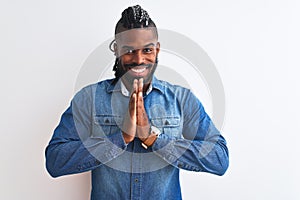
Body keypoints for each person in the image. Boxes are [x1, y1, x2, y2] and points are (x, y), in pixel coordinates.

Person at [45, 5, 229, 200]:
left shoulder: (182, 99)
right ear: (116, 50)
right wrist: (121, 138)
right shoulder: (88, 99)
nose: (139, 59)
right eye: (129, 50)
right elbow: (55, 161)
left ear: (157, 50)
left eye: (147, 50)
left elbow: (219, 159)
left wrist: (152, 138)